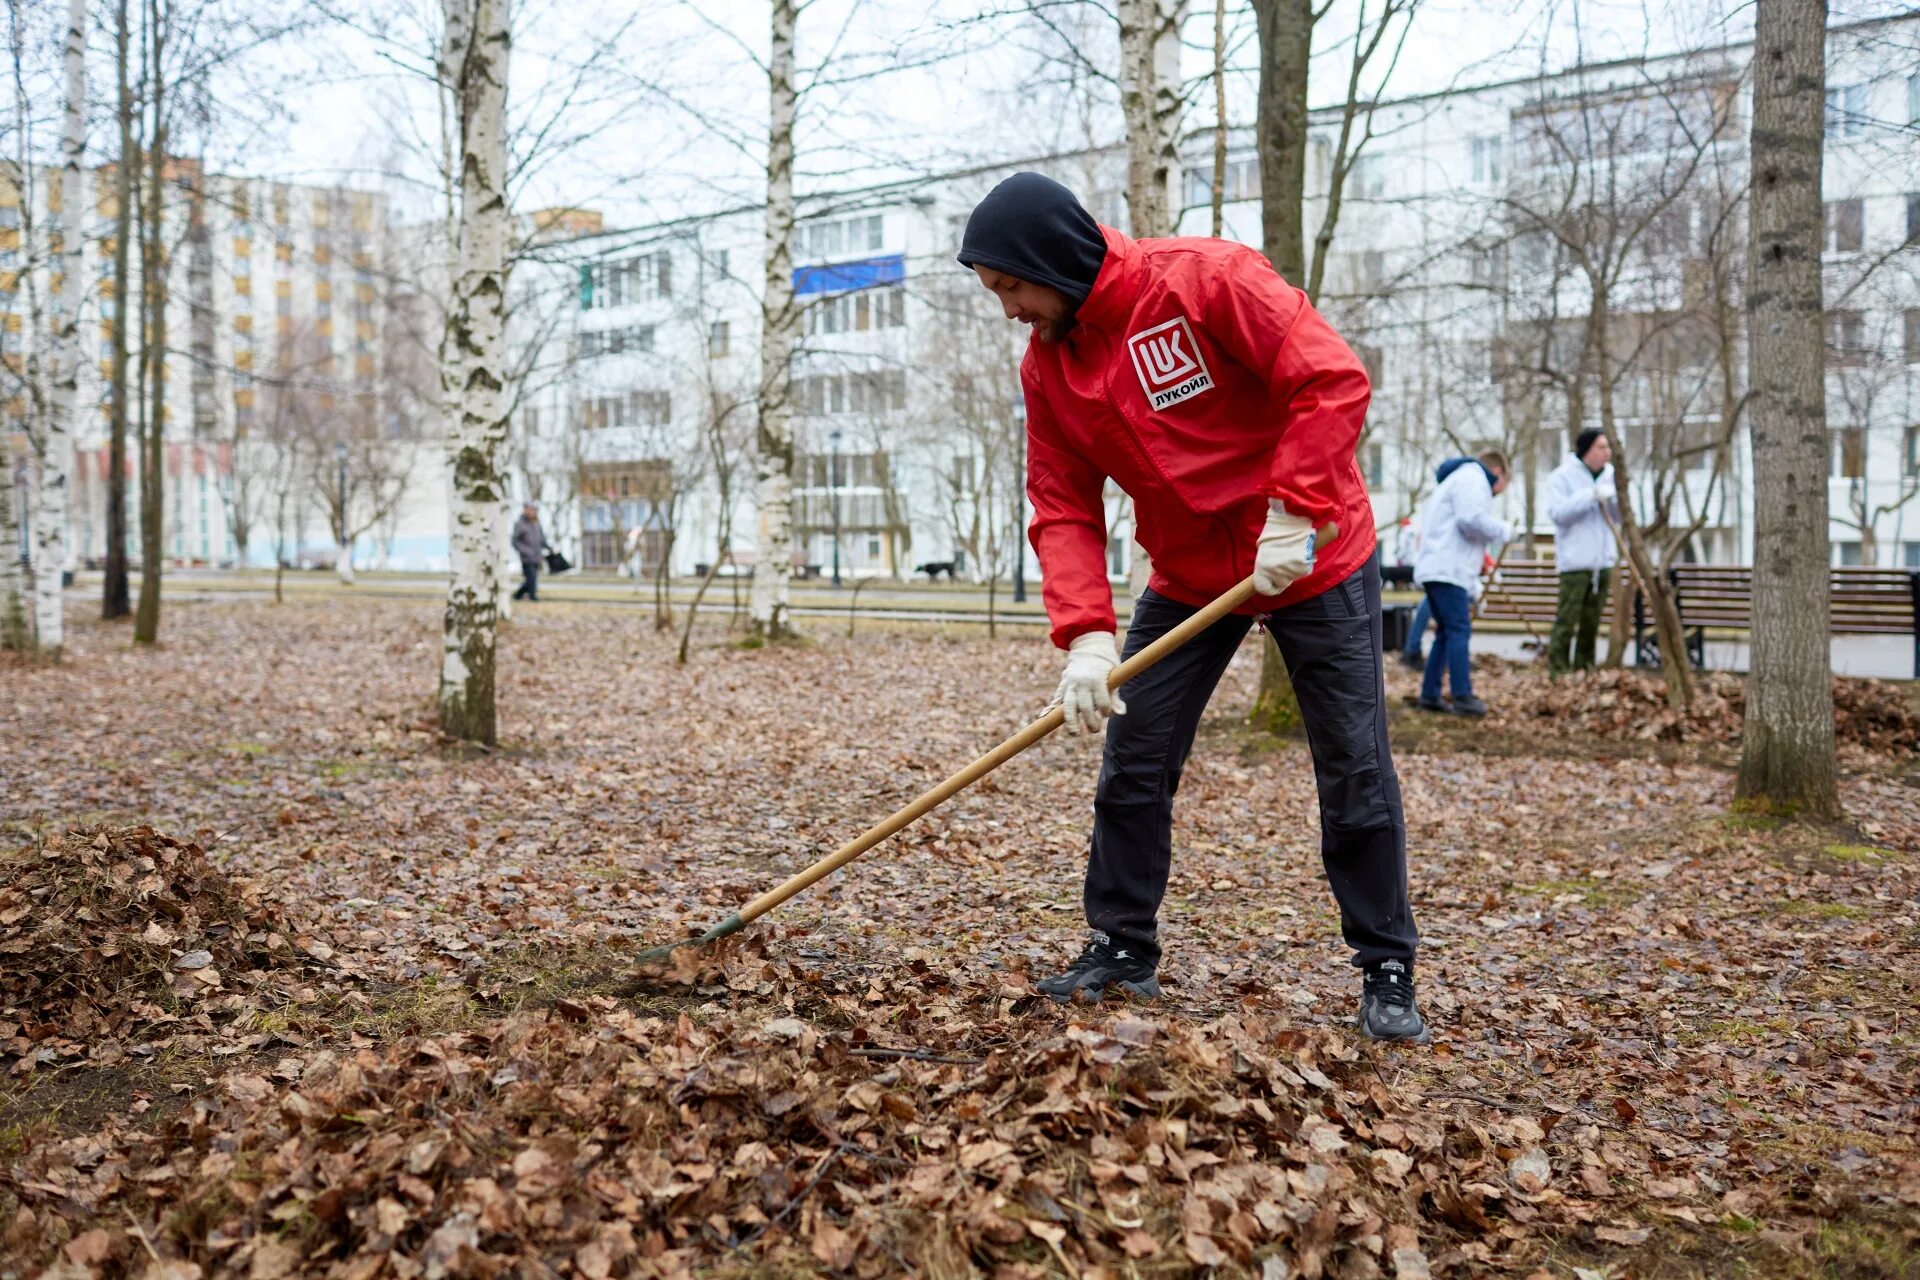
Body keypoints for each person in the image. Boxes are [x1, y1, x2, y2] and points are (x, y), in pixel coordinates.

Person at [958, 172, 1426, 1043]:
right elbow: (1061, 503)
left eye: (1012, 287)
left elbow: (1330, 378)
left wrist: (1294, 507)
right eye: (995, 293)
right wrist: (1088, 636)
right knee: (1134, 760)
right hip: (1186, 571)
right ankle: (1121, 947)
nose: (1009, 309)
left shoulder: (1205, 280)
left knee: (1353, 765)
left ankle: (1386, 966)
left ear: (1054, 261)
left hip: (1311, 551)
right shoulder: (1050, 367)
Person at [1411, 451, 1511, 716]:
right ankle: (1462, 695)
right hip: (1448, 569)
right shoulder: (1474, 478)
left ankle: (1430, 694)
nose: (1496, 494)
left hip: (1439, 567)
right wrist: (1504, 531)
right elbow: (1471, 520)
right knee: (1458, 629)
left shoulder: (1458, 478)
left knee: (1446, 631)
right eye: (1500, 489)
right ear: (1498, 473)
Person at [1545, 429, 1619, 676]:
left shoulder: (1612, 476)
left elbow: (1619, 517)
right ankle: (1558, 671)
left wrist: (1614, 499)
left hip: (1602, 561)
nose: (1607, 452)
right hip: (1575, 562)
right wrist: (1590, 496)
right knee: (1567, 620)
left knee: (1591, 623)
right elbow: (1558, 514)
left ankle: (1584, 669)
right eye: (1601, 447)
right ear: (1587, 450)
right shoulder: (1562, 477)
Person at [510, 503, 548, 602]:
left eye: (533, 510)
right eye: (529, 510)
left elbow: (542, 539)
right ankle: (532, 596)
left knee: (532, 578)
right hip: (526, 556)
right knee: (531, 578)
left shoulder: (536, 523)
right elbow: (515, 541)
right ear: (525, 510)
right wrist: (524, 551)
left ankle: (517, 595)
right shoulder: (520, 524)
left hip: (537, 556)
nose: (531, 512)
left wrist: (549, 547)